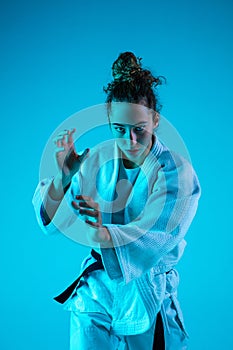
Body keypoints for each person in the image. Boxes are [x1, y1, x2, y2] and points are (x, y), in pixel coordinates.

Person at [32, 51, 201, 349]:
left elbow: (158, 234)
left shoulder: (177, 173)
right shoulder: (98, 160)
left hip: (147, 290)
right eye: (120, 130)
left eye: (139, 130)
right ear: (110, 121)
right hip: (97, 290)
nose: (130, 141)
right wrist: (64, 179)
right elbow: (53, 223)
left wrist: (103, 233)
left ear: (156, 120)